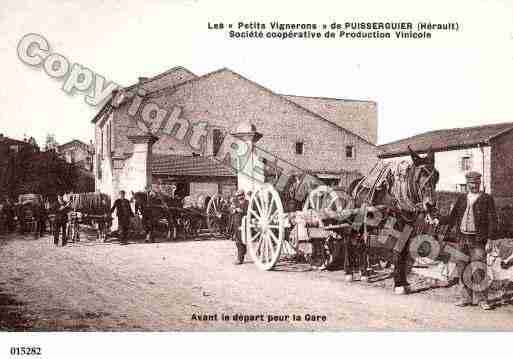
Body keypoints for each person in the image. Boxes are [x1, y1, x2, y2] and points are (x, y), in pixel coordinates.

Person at [433, 171, 497, 310]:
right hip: (462, 239)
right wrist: (439, 220)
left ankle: (482, 300)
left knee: (478, 269)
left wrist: (490, 239)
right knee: (462, 269)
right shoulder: (462, 198)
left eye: (475, 183)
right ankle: (465, 298)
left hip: (478, 240)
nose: (473, 185)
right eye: (470, 183)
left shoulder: (487, 198)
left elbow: (493, 220)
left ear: (479, 183)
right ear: (467, 184)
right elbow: (452, 216)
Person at [232, 190, 248, 265]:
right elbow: (231, 210)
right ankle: (241, 256)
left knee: (240, 241)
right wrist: (234, 210)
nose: (240, 197)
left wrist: (242, 210)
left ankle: (240, 258)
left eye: (241, 196)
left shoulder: (247, 203)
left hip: (244, 224)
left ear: (243, 195)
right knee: (238, 242)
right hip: (236, 225)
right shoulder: (236, 203)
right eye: (238, 196)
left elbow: (250, 211)